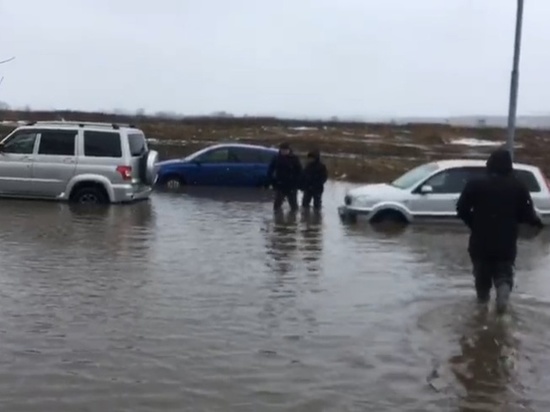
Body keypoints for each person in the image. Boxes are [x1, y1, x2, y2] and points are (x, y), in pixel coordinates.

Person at [456, 148, 543, 314]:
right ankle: (502, 297)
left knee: (482, 282)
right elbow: (527, 215)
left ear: (490, 163)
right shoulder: (518, 186)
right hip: (506, 243)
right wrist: (534, 224)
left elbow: (461, 209)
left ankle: (481, 310)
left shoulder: (475, 184)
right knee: (503, 275)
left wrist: (474, 224)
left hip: (480, 243)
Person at [267, 142, 303, 211]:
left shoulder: (294, 159)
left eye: (285, 150)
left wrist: (297, 183)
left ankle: (293, 219)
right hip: (280, 184)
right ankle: (278, 219)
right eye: (282, 150)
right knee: (277, 204)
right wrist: (272, 181)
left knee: (293, 204)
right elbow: (270, 170)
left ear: (289, 150)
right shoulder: (276, 158)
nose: (284, 151)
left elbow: (300, 171)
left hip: (291, 185)